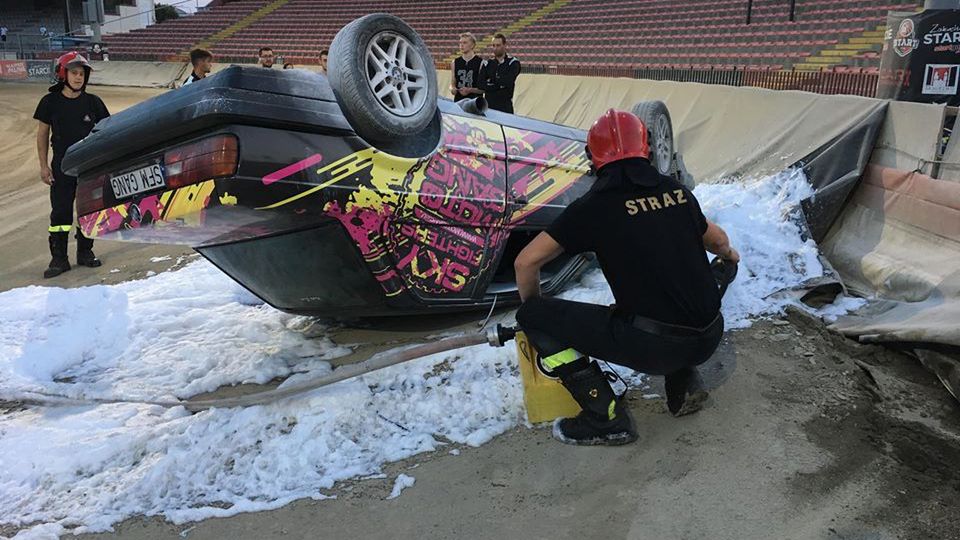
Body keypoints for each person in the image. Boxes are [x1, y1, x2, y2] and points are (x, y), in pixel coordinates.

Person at [513, 109, 739, 446]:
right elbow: (720, 243)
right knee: (672, 290)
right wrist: (730, 261)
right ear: (645, 150)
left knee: (532, 316)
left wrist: (538, 318)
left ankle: (605, 418)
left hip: (654, 348)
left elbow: (525, 262)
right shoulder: (677, 192)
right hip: (709, 335)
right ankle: (685, 383)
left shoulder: (594, 207)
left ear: (593, 158)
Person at [34, 52, 110, 278]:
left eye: (82, 74)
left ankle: (85, 252)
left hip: (89, 166)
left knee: (88, 210)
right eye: (74, 73)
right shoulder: (50, 103)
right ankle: (59, 259)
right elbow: (42, 135)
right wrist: (43, 166)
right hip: (61, 167)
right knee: (60, 213)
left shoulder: (93, 102)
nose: (78, 78)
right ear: (62, 74)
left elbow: (106, 130)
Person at [479, 34, 520, 113]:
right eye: (493, 45)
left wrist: (490, 82)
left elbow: (508, 82)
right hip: (488, 108)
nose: (495, 48)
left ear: (504, 45)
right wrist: (499, 85)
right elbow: (480, 83)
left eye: (498, 45)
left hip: (505, 107)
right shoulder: (487, 63)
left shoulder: (513, 63)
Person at [449, 32, 483, 102]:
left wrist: (470, 90)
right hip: (458, 101)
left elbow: (483, 89)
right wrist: (452, 89)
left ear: (472, 45)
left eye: (465, 43)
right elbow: (452, 84)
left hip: (474, 102)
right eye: (460, 43)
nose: (461, 45)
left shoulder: (481, 63)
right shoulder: (455, 62)